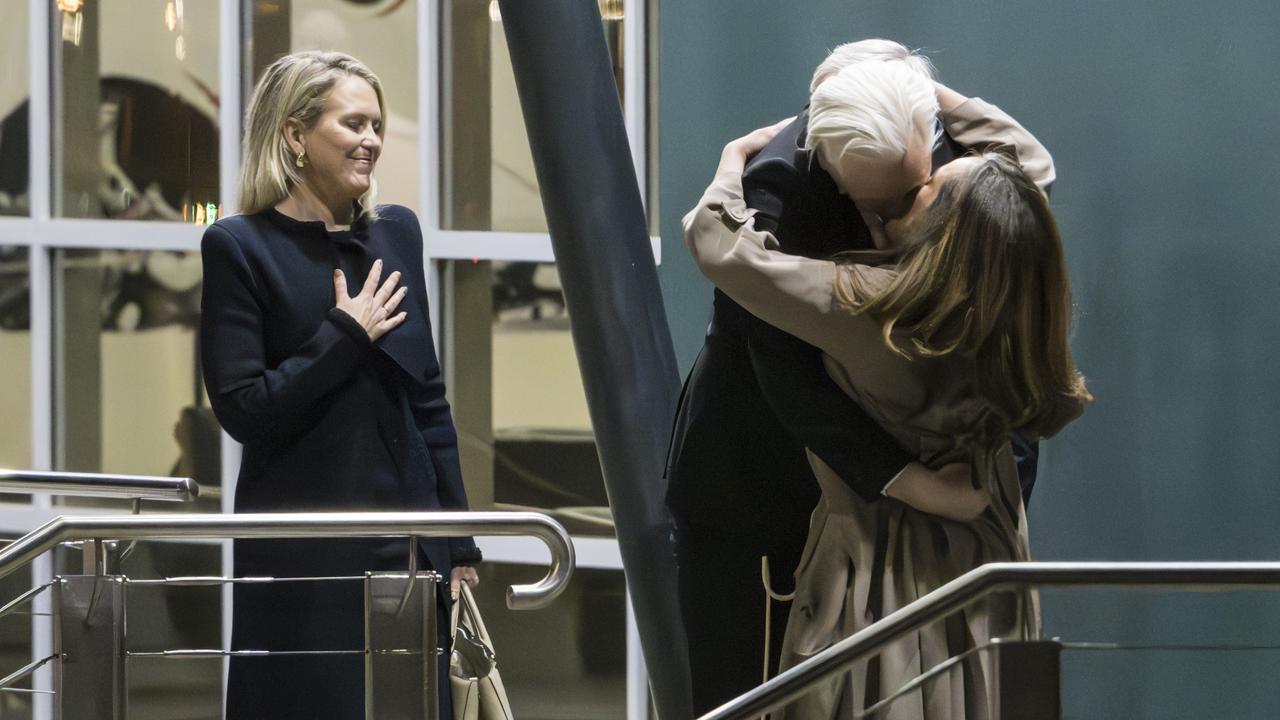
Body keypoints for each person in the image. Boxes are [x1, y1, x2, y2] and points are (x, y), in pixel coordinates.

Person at [683, 61, 1091, 718]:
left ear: (948, 236)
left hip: (880, 560)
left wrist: (731, 160)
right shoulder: (1014, 276)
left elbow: (718, 245)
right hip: (987, 536)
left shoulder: (861, 302)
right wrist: (929, 89)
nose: (924, 182)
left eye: (929, 189)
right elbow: (1030, 164)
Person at [666, 41, 983, 714]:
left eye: (914, 191)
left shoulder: (933, 151)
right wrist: (915, 483)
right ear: (830, 164)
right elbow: (783, 372)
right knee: (750, 694)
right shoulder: (777, 184)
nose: (902, 224)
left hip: (872, 500)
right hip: (760, 487)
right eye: (883, 206)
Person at [200, 51, 479, 719]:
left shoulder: (396, 232)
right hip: (305, 554)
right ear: (295, 134)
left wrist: (461, 542)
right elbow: (244, 410)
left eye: (377, 125)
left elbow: (427, 399)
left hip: (409, 542)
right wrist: (344, 336)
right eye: (353, 123)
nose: (372, 141)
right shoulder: (238, 245)